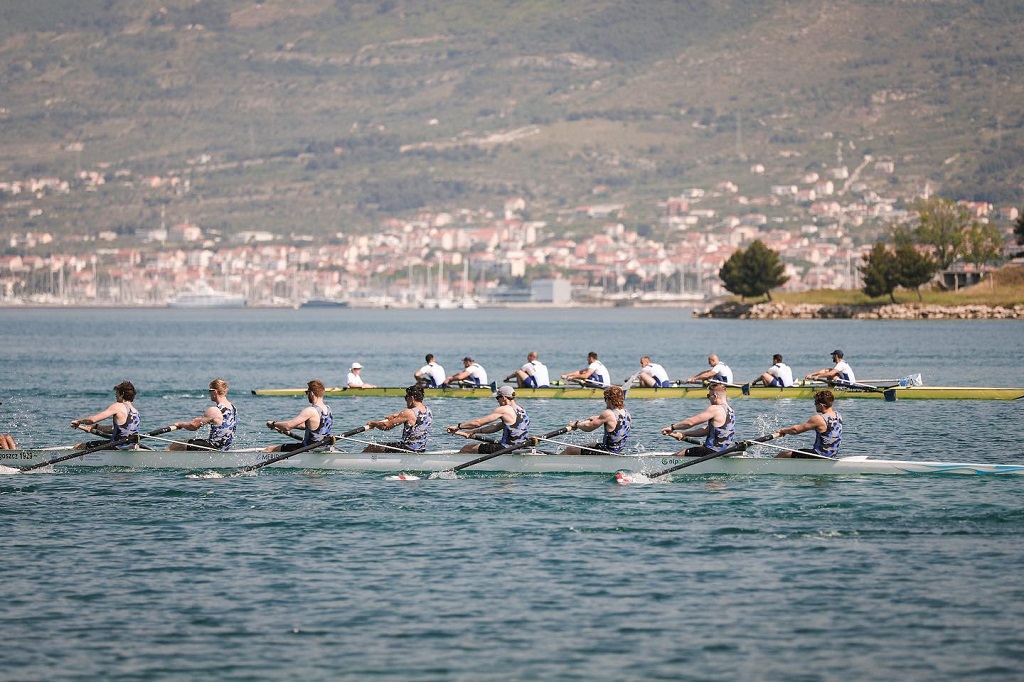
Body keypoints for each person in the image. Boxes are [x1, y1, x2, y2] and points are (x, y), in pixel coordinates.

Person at [446, 385, 530, 453]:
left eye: (497, 398)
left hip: (506, 448)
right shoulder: (522, 410)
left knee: (467, 448)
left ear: (504, 397)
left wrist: (458, 426)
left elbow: (477, 423)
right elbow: (496, 427)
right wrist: (474, 431)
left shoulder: (504, 409)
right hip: (521, 447)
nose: (497, 401)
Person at [661, 382, 736, 456]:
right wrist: (684, 434)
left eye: (708, 396)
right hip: (726, 451)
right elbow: (706, 430)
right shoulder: (731, 410)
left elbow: (690, 422)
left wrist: (672, 427)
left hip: (713, 451)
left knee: (681, 453)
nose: (708, 398)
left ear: (714, 396)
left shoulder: (715, 409)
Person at [264, 380, 333, 452]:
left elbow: (288, 426)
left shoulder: (310, 410)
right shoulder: (328, 409)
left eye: (307, 392)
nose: (307, 395)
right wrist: (280, 426)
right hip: (324, 447)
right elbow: (307, 426)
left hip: (308, 449)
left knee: (269, 449)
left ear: (311, 393)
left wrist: (273, 423)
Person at [561, 386, 632, 455]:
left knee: (570, 449)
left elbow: (588, 427)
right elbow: (614, 421)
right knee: (590, 444)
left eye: (605, 398)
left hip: (607, 452)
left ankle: (556, 461)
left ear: (609, 399)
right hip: (617, 451)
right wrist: (597, 418)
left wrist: (576, 424)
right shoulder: (627, 414)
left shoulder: (608, 413)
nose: (605, 401)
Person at [70, 380, 141, 450]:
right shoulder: (136, 412)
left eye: (116, 393)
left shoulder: (117, 406)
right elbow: (118, 429)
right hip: (132, 445)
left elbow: (92, 420)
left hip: (116, 446)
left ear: (122, 394)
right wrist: (94, 427)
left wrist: (78, 421)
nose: (115, 396)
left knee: (78, 446)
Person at [169, 378, 237, 451]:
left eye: (209, 391)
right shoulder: (233, 408)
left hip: (212, 447)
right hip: (224, 448)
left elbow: (193, 426)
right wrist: (202, 420)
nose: (209, 394)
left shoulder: (214, 410)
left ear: (215, 392)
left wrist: (180, 424)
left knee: (176, 445)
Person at [772, 390, 843, 458]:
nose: (815, 405)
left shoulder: (818, 419)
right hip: (831, 455)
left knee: (783, 454)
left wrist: (783, 430)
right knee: (793, 453)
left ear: (821, 405)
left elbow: (795, 430)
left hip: (819, 455)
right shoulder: (838, 415)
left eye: (815, 403)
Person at [365, 385, 432, 453]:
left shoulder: (407, 413)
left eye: (406, 397)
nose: (406, 400)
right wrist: (397, 416)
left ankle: (359, 459)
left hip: (407, 449)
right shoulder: (428, 410)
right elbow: (416, 418)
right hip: (420, 449)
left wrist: (374, 423)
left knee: (372, 447)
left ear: (411, 398)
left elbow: (385, 426)